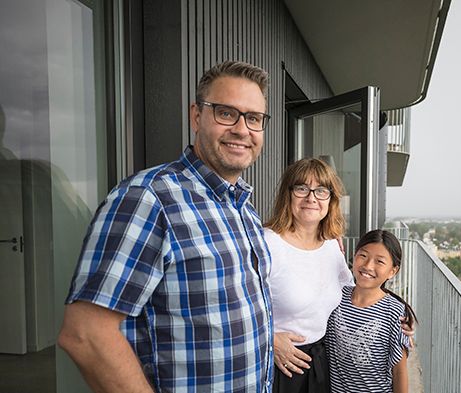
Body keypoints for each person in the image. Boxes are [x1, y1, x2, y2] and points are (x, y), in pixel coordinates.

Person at [58, 61, 275, 393]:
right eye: (226, 113)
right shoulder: (149, 199)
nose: (242, 130)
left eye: (254, 118)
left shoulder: (243, 207)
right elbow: (85, 335)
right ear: (196, 116)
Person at [264, 157, 352, 393]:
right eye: (302, 188)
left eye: (321, 190)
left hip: (320, 362)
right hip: (277, 365)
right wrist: (269, 339)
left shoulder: (332, 244)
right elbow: (234, 304)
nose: (311, 197)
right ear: (288, 194)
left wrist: (394, 314)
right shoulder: (267, 243)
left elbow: (351, 294)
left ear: (331, 200)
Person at [324, 230, 417, 393]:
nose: (368, 266)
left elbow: (399, 371)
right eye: (363, 256)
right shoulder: (336, 296)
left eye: (379, 261)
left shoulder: (395, 311)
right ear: (354, 255)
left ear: (393, 271)